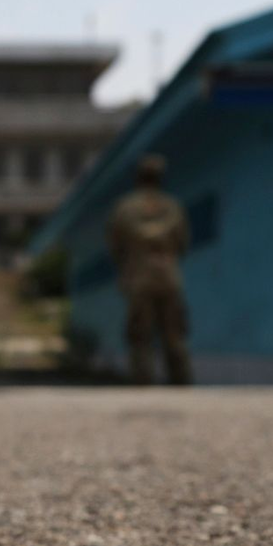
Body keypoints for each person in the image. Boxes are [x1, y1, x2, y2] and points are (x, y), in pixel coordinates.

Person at [106, 153, 193, 386]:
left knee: (140, 337)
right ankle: (181, 386)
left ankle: (142, 385)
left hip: (138, 278)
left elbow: (115, 247)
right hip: (168, 277)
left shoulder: (125, 208)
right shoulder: (172, 207)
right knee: (174, 335)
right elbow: (183, 243)